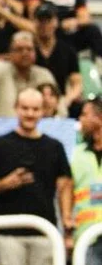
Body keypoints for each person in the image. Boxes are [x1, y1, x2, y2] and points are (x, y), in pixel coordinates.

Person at [0, 88, 72, 265]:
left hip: (45, 232)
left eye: (35, 109)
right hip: (8, 233)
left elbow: (64, 188)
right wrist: (4, 184)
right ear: (16, 108)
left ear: (43, 110)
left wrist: (67, 223)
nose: (30, 114)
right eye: (25, 108)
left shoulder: (55, 147)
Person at [0, 32, 55, 117]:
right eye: (19, 49)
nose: (25, 53)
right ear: (10, 53)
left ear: (35, 53)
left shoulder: (44, 75)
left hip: (38, 124)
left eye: (29, 49)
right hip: (1, 124)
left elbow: (59, 107)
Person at [72, 98, 102, 265]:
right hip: (86, 238)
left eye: (84, 115)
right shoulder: (76, 154)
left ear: (99, 118)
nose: (80, 120)